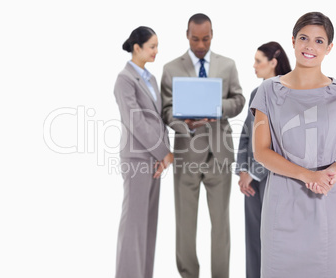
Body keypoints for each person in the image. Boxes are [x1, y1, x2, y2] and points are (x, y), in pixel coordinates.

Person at [251, 12, 336, 278]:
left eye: (318, 41)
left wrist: (328, 173)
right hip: (283, 200)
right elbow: (261, 151)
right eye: (303, 38)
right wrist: (306, 174)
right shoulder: (268, 91)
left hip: (326, 197)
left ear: (329, 48)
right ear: (292, 41)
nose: (309, 47)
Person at [161, 13, 245, 278]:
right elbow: (165, 110)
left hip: (219, 153)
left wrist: (217, 109)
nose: (200, 44)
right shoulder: (171, 68)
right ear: (187, 35)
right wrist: (184, 124)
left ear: (212, 35)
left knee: (220, 223)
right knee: (185, 223)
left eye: (205, 39)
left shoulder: (228, 65)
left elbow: (240, 100)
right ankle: (188, 275)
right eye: (195, 39)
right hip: (187, 153)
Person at [113, 26, 174, 278]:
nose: (156, 51)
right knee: (134, 225)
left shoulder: (149, 77)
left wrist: (164, 153)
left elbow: (157, 119)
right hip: (138, 158)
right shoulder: (124, 80)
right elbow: (135, 121)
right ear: (137, 48)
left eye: (157, 46)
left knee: (148, 226)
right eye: (152, 46)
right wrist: (163, 152)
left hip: (154, 159)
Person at [235, 41, 291, 278]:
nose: (254, 66)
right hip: (252, 183)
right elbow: (247, 135)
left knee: (278, 240)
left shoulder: (289, 93)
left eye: (258, 61)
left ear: (273, 63)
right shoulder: (256, 94)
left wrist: (254, 172)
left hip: (278, 178)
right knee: (254, 237)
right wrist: (243, 171)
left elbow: (280, 142)